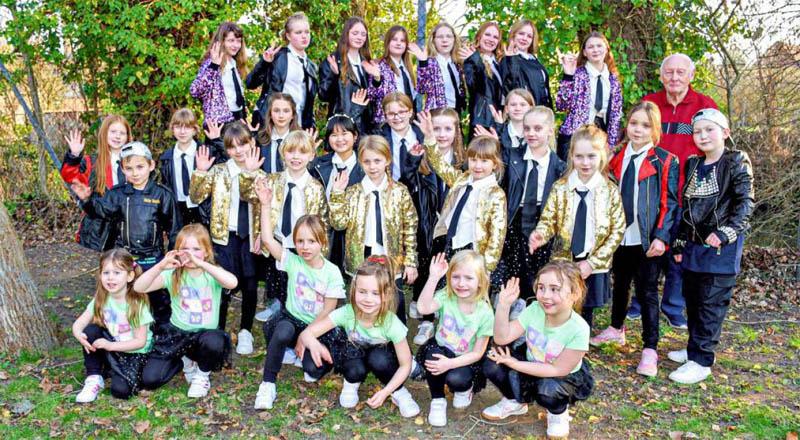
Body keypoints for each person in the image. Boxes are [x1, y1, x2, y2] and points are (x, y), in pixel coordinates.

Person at [591, 102, 679, 378]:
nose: (638, 130)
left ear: (655, 130)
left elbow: (670, 203)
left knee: (647, 290)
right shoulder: (615, 157)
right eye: (634, 123)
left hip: (647, 238)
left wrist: (661, 237)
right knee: (620, 283)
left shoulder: (664, 160)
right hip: (620, 234)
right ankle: (616, 328)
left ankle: (650, 348)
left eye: (645, 125)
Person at [668, 108, 753, 384]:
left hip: (720, 250)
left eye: (709, 130)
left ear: (725, 133)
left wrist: (726, 232)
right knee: (693, 299)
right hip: (694, 247)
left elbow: (745, 203)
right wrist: (679, 242)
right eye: (697, 131)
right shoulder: (693, 164)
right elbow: (688, 208)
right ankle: (695, 348)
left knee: (710, 304)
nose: (703, 136)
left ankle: (702, 361)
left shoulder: (736, 161)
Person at [634, 53, 719, 327]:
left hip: (688, 190)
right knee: (646, 247)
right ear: (661, 76)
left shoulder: (705, 105)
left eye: (681, 72)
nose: (674, 77)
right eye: (669, 72)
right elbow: (635, 138)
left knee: (679, 252)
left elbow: (714, 146)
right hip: (652, 190)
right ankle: (639, 302)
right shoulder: (650, 103)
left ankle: (672, 306)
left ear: (691, 76)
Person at [253, 192, 345, 409]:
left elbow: (328, 310)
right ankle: (268, 384)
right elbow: (268, 240)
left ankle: (301, 352)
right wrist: (265, 204)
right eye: (300, 241)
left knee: (312, 370)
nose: (305, 247)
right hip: (292, 320)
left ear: (322, 242)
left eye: (312, 241)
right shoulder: (293, 262)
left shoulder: (332, 272)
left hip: (318, 326)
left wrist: (307, 336)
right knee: (282, 330)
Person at [482, 261, 594, 439]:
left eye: (554, 289)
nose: (545, 295)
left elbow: (557, 369)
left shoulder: (579, 329)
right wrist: (503, 305)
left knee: (548, 389)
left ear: (574, 293)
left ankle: (557, 412)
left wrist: (514, 364)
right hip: (531, 361)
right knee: (492, 361)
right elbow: (502, 338)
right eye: (541, 287)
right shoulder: (534, 309)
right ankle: (515, 401)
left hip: (560, 376)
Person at [70, 141, 179, 324]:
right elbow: (100, 211)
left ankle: (161, 337)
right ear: (122, 169)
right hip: (125, 260)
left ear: (151, 165)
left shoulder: (163, 195)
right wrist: (87, 200)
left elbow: (174, 230)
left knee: (159, 305)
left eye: (140, 167)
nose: (135, 173)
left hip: (154, 260)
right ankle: (125, 335)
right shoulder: (117, 194)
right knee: (126, 303)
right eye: (129, 168)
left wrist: (172, 260)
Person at [298, 256, 420, 417]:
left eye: (375, 293)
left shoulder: (392, 323)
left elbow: (405, 364)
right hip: (356, 353)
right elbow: (307, 333)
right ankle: (351, 381)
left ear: (386, 294)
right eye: (362, 292)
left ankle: (399, 391)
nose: (368, 299)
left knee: (379, 359)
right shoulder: (347, 313)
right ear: (354, 291)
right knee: (345, 354)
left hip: (380, 354)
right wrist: (314, 344)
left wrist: (385, 392)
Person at [529, 124, 625, 329]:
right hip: (564, 260)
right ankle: (554, 341)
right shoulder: (560, 187)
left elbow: (617, 230)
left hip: (594, 262)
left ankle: (580, 345)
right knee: (559, 304)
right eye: (579, 156)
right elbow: (549, 219)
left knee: (585, 311)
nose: (585, 162)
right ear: (571, 156)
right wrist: (541, 234)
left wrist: (593, 262)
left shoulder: (610, 191)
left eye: (591, 156)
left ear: (602, 156)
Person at [239, 130, 328, 340]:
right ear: (283, 154)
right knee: (277, 280)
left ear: (311, 155)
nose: (296, 157)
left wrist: (318, 252)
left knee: (297, 286)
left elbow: (321, 221)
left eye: (302, 152)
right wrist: (249, 173)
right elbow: (251, 198)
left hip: (302, 246)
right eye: (291, 151)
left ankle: (298, 325)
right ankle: (278, 311)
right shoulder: (272, 180)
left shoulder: (315, 188)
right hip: (278, 241)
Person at [136, 225, 238, 398]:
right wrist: (160, 266)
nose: (190, 254)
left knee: (215, 341)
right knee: (150, 379)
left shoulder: (212, 273)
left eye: (196, 249)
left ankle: (202, 375)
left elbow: (232, 282)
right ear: (177, 251)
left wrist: (202, 263)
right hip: (177, 336)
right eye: (185, 249)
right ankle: (184, 363)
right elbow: (139, 287)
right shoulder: (172, 274)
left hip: (204, 337)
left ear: (206, 251)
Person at [328, 135, 418, 324]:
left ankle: (397, 339)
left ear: (387, 160)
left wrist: (410, 261)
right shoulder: (352, 193)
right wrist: (337, 194)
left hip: (391, 258)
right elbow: (339, 223)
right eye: (367, 161)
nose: (373, 166)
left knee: (395, 304)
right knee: (363, 305)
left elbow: (409, 227)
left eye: (377, 160)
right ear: (361, 163)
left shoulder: (399, 192)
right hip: (362, 257)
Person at [188, 123, 261, 353]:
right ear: (226, 149)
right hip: (224, 237)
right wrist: (200, 172)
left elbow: (262, 207)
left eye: (243, 144)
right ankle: (217, 331)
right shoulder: (218, 171)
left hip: (250, 237)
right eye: (232, 147)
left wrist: (262, 235)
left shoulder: (261, 173)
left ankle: (246, 330)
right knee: (221, 284)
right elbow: (196, 197)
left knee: (250, 284)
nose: (238, 151)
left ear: (252, 143)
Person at [410, 115, 507, 278]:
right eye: (473, 160)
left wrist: (487, 267)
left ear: (495, 164)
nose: (477, 166)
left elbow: (497, 234)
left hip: (472, 248)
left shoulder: (495, 194)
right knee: (445, 283)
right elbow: (440, 165)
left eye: (484, 161)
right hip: (450, 243)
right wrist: (430, 138)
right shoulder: (462, 179)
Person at [406, 107, 466, 345]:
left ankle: (448, 315)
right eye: (436, 129)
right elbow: (406, 186)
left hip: (453, 227)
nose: (441, 134)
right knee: (427, 268)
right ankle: (427, 320)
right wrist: (412, 161)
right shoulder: (421, 157)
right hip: (427, 223)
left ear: (456, 131)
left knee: (450, 270)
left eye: (447, 129)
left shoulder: (465, 163)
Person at [416, 251, 495, 427]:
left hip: (465, 358)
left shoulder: (486, 313)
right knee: (432, 358)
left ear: (481, 281)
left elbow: (477, 353)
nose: (461, 283)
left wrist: (450, 364)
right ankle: (438, 400)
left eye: (469, 278)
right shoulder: (447, 296)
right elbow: (423, 308)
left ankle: (464, 390)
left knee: (457, 379)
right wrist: (433, 278)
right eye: (456, 277)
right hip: (442, 348)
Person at [499, 107, 566, 301]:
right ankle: (515, 304)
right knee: (515, 269)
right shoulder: (510, 157)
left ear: (550, 130)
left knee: (539, 270)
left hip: (543, 220)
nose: (531, 133)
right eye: (527, 128)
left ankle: (537, 304)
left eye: (537, 128)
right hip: (515, 219)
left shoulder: (560, 167)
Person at [72, 249, 152, 402]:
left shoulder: (136, 303)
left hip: (135, 353)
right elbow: (79, 323)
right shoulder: (102, 298)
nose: (110, 278)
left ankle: (114, 371)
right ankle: (94, 377)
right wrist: (78, 334)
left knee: (121, 391)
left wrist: (109, 345)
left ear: (130, 276)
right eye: (106, 273)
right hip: (114, 346)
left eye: (117, 273)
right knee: (90, 331)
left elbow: (140, 342)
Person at [61, 115, 132, 251]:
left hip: (127, 228)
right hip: (98, 231)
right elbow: (71, 176)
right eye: (113, 132)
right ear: (104, 133)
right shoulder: (91, 162)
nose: (117, 136)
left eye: (122, 133)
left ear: (128, 137)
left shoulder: (134, 162)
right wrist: (74, 156)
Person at [310, 112, 366, 272]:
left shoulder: (365, 165)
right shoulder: (318, 164)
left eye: (344, 133)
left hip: (354, 230)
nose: (340, 139)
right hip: (325, 229)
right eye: (334, 135)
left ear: (355, 136)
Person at [556, 31, 624, 160]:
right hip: (574, 137)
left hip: (601, 139)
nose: (595, 50)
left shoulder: (613, 80)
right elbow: (561, 105)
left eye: (599, 46)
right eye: (591, 47)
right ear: (585, 52)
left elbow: (616, 116)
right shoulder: (577, 74)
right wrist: (568, 76)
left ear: (606, 49)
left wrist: (612, 146)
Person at [246, 12, 318, 129]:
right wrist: (264, 63)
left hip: (298, 124)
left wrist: (311, 127)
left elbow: (308, 103)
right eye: (298, 32)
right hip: (271, 122)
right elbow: (250, 83)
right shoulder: (277, 56)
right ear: (288, 36)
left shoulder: (311, 66)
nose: (304, 36)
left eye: (307, 32)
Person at [365, 25, 445, 124]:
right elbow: (372, 95)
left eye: (402, 40)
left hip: (409, 119)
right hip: (388, 122)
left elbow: (423, 89)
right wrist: (377, 79)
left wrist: (423, 62)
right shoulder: (379, 65)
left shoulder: (407, 68)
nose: (398, 43)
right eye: (394, 39)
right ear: (387, 42)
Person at [158, 108, 224, 228]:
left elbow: (228, 163)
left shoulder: (206, 152)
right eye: (178, 127)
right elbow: (165, 188)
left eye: (187, 127)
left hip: (202, 210)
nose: (182, 131)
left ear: (194, 130)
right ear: (172, 129)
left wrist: (217, 141)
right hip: (178, 211)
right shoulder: (166, 158)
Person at [318, 16, 375, 132]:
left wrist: (377, 79)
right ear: (346, 34)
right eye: (355, 33)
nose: (359, 37)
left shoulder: (367, 63)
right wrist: (334, 75)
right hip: (343, 126)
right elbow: (323, 96)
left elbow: (375, 96)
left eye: (363, 34)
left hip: (366, 126)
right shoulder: (333, 60)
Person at [190, 22, 249, 124]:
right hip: (219, 124)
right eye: (231, 41)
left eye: (238, 41)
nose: (235, 45)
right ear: (221, 42)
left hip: (237, 119)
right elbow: (195, 91)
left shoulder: (235, 63)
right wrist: (214, 66)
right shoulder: (211, 63)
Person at [460, 21, 504, 138]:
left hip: (498, 120)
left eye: (495, 37)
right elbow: (475, 86)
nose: (491, 39)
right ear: (479, 37)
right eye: (487, 34)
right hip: (482, 120)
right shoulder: (471, 60)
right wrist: (476, 60)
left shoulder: (497, 63)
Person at [499, 19, 552, 109]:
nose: (524, 38)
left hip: (541, 113)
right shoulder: (507, 60)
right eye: (521, 34)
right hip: (523, 113)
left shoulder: (534, 60)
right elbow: (509, 90)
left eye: (529, 36)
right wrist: (511, 60)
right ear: (513, 35)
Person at [253, 93, 301, 175]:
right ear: (270, 114)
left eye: (286, 111)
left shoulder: (301, 141)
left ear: (293, 115)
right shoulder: (259, 140)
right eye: (276, 111)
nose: (281, 115)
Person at [426, 22, 467, 113]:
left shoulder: (457, 63)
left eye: (449, 36)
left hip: (456, 110)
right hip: (438, 111)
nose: (445, 40)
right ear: (433, 40)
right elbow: (422, 88)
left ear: (454, 39)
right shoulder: (429, 63)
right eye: (440, 37)